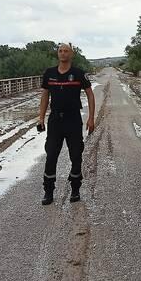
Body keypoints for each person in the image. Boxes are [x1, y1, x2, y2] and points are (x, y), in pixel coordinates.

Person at [38, 43, 95, 205]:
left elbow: (90, 95)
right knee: (51, 155)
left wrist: (91, 118)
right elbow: (44, 96)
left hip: (73, 119)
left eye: (66, 51)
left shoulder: (78, 74)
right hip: (55, 120)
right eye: (60, 51)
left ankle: (75, 189)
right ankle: (48, 192)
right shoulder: (49, 74)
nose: (63, 54)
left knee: (76, 155)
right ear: (58, 54)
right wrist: (41, 117)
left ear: (71, 54)